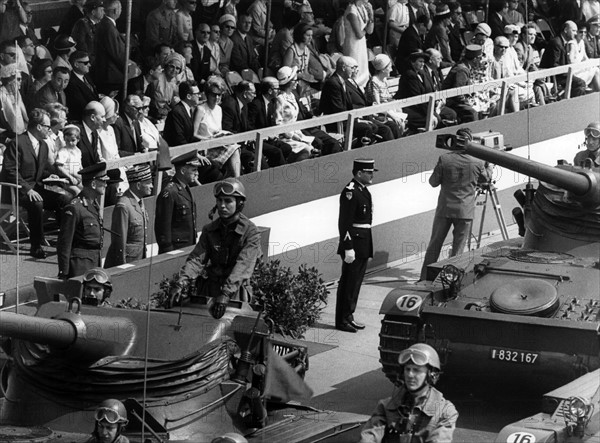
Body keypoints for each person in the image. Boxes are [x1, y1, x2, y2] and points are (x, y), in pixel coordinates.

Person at [167, 178, 261, 320]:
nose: (222, 206)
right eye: (219, 201)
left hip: (235, 294)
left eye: (228, 201)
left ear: (240, 204)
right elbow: (196, 260)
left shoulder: (250, 232)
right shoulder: (210, 230)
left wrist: (226, 294)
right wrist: (180, 283)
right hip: (209, 290)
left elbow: (243, 265)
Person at [420, 128, 492, 280]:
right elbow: (486, 180)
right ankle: (450, 281)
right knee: (458, 250)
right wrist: (489, 165)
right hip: (464, 211)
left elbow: (433, 182)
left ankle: (425, 278)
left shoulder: (444, 158)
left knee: (435, 244)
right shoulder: (478, 161)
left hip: (445, 209)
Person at [0, 108, 70, 259]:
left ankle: (65, 241)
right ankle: (36, 245)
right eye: (47, 126)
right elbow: (11, 170)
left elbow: (40, 170)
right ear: (39, 127)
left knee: (64, 199)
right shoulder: (17, 143)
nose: (49, 130)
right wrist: (27, 189)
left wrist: (54, 177)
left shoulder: (43, 145)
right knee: (36, 202)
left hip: (35, 187)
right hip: (17, 190)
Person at [359, 343, 458, 443]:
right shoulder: (387, 406)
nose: (410, 375)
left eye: (416, 370)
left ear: (431, 375)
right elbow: (369, 436)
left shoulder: (444, 411)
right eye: (407, 369)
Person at [335, 159, 376, 333]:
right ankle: (342, 320)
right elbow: (345, 222)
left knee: (355, 284)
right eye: (368, 172)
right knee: (348, 283)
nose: (372, 174)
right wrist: (348, 246)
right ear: (359, 173)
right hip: (354, 243)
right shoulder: (350, 192)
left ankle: (349, 316)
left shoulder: (363, 190)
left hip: (363, 242)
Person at [57, 162, 116, 279]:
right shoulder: (75, 207)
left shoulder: (92, 204)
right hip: (79, 265)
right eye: (103, 181)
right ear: (93, 184)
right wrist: (64, 271)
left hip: (94, 260)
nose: (106, 184)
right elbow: (64, 242)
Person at [104, 164, 152, 268]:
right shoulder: (124, 206)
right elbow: (119, 242)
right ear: (138, 185)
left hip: (139, 260)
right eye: (148, 183)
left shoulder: (139, 201)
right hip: (128, 263)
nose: (151, 186)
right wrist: (122, 266)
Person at [155, 150, 199, 254]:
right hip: (175, 250)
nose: (197, 173)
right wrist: (168, 252)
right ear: (183, 171)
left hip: (188, 247)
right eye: (193, 170)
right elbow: (163, 226)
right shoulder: (169, 192)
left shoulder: (186, 189)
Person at [539, 20, 588, 98]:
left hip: (562, 74)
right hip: (554, 77)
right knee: (580, 83)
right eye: (573, 31)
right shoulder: (556, 43)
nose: (576, 33)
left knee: (581, 82)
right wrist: (568, 72)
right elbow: (554, 65)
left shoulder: (563, 42)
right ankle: (573, 105)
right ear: (565, 30)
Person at [342, 0, 374, 87]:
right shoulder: (351, 10)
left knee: (363, 68)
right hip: (353, 45)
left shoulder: (363, 7)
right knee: (354, 69)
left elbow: (370, 30)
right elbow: (359, 34)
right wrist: (364, 31)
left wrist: (371, 14)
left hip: (362, 44)